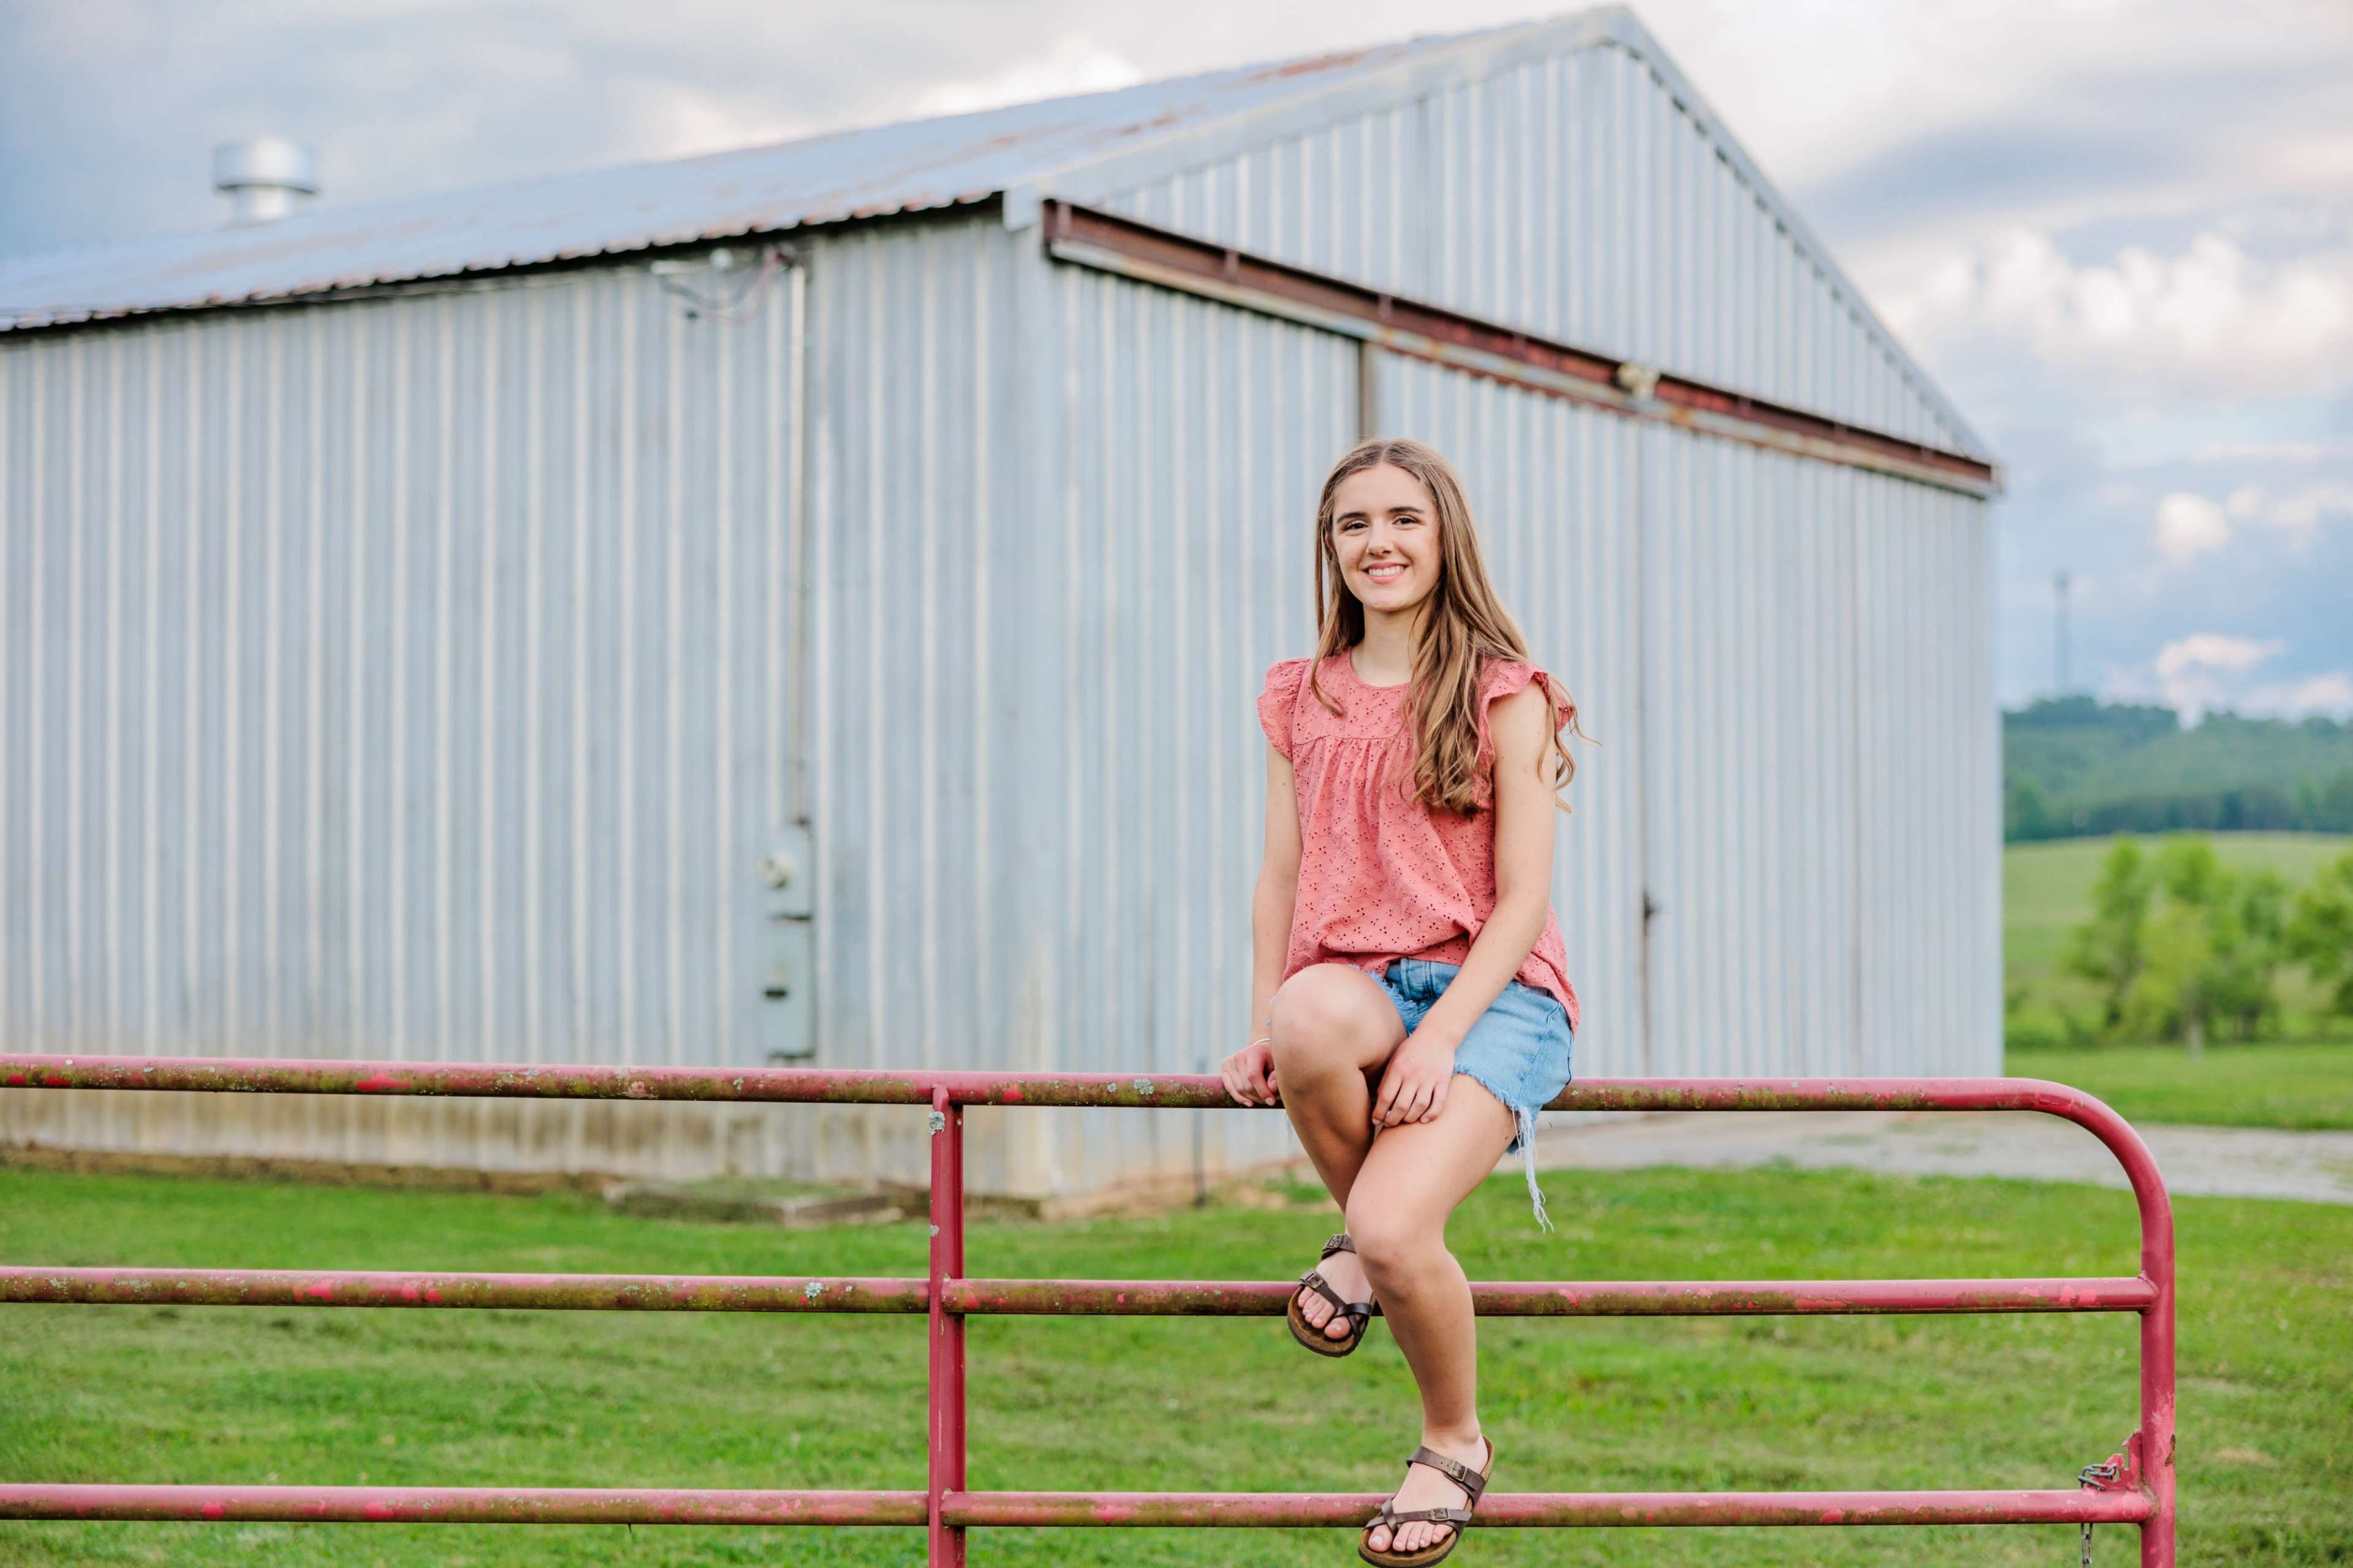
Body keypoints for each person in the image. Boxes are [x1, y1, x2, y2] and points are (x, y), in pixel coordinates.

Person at [1218, 436, 1584, 1566]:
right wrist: (1259, 1018)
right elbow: (1282, 876)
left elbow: (1523, 900)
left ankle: (1452, 1439)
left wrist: (1444, 1035)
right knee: (1306, 1017)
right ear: (1330, 549)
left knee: (1390, 1224)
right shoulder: (1301, 693)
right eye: (1352, 525)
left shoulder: (1501, 692)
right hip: (1356, 982)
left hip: (1494, 990)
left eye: (1401, 520)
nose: (1378, 543)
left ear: (1445, 537)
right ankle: (1365, 1249)